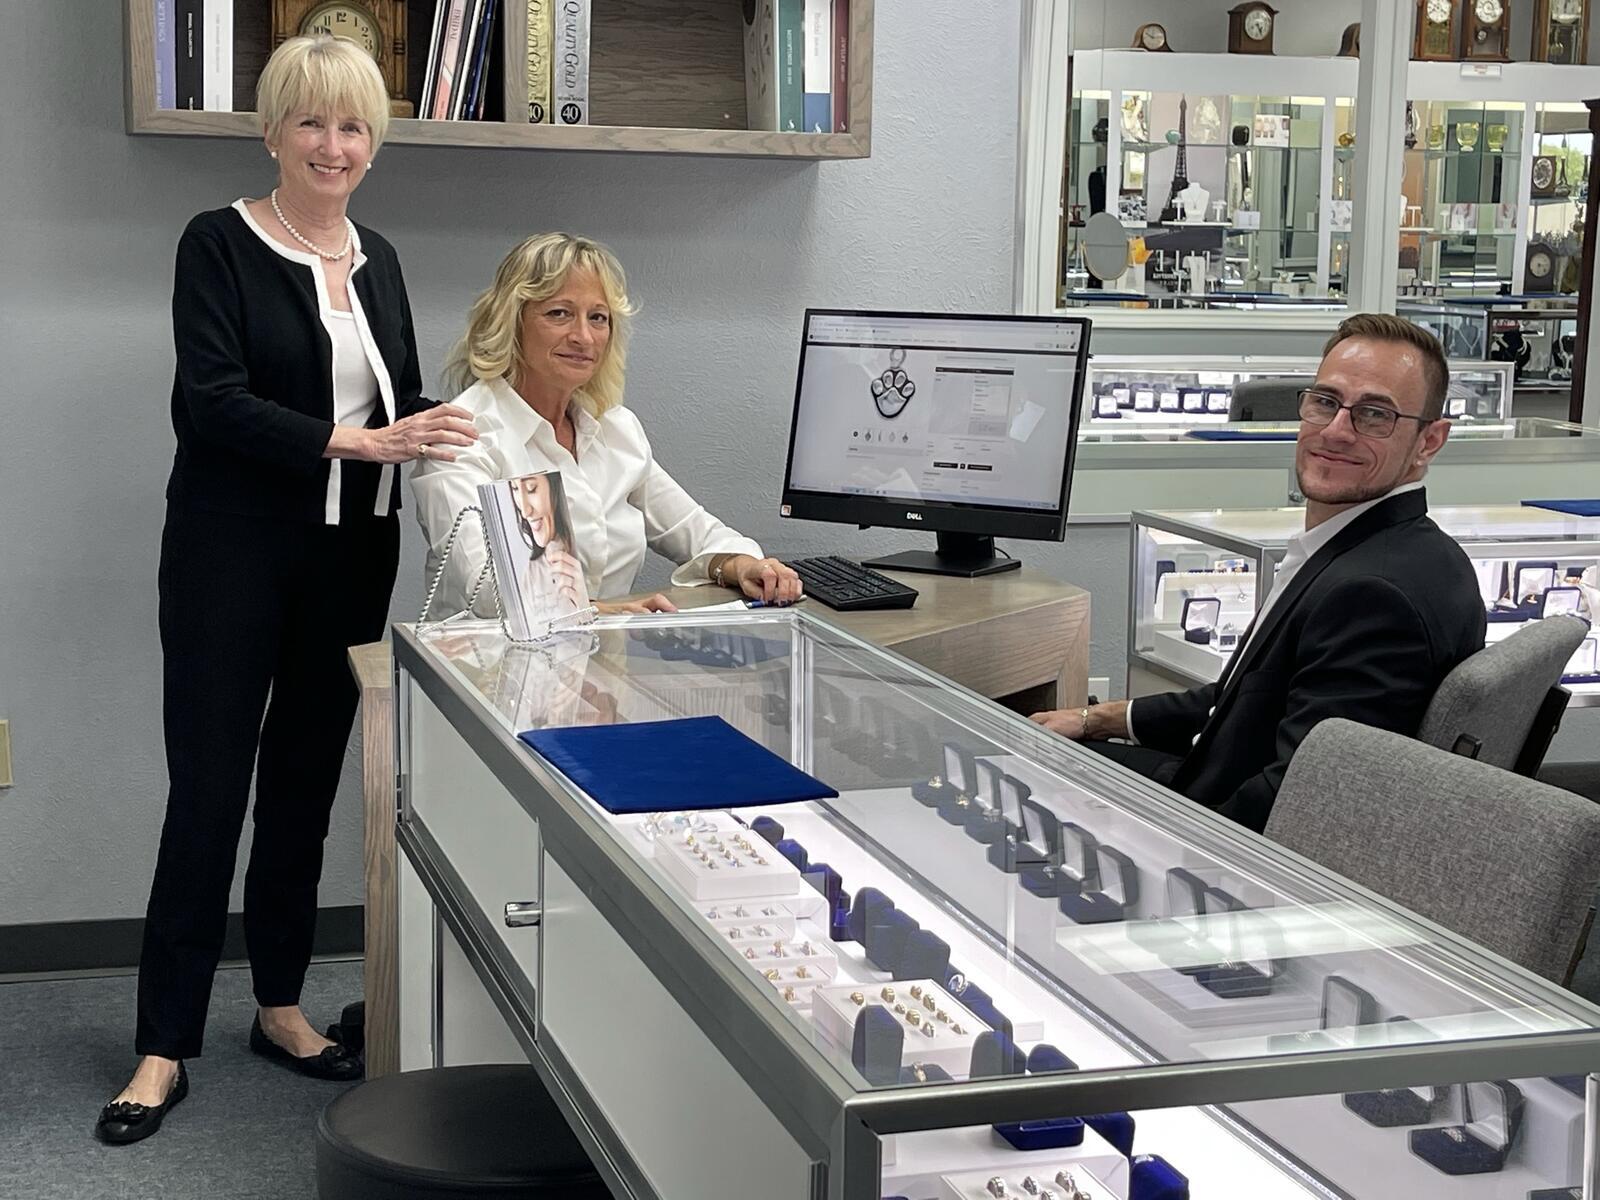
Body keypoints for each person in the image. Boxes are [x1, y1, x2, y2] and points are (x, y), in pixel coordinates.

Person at [97, 34, 478, 1145]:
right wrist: (360, 444)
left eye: (353, 125)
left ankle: (279, 1007)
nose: (333, 144)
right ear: (272, 133)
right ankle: (162, 1045)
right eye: (312, 121)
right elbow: (210, 403)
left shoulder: (380, 259)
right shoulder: (217, 242)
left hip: (352, 557)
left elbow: (400, 406)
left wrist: (453, 428)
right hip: (231, 552)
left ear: (375, 142)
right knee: (209, 792)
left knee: (305, 788)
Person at [1031, 313, 1486, 833]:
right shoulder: (1409, 552)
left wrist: (1162, 850)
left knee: (1025, 771)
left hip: (1219, 832)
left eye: (1375, 414)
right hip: (1217, 776)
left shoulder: (1372, 596)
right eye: (1325, 402)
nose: (1336, 431)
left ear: (1429, 441)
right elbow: (1242, 699)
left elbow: (1302, 800)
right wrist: (1096, 719)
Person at [413, 232, 802, 615]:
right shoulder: (461, 435)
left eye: (598, 318)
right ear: (511, 321)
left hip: (606, 649)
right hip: (489, 654)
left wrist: (741, 565)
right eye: (559, 313)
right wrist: (601, 613)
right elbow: (487, 590)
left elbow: (694, 530)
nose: (583, 336)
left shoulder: (614, 428)